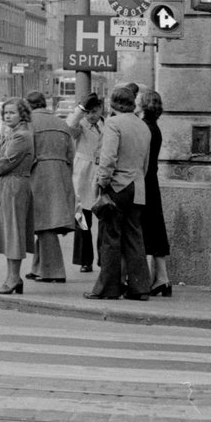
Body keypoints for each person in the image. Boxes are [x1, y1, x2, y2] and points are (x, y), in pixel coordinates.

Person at [85, 86, 152, 301]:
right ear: (132, 104)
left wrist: (102, 182)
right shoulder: (143, 126)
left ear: (113, 104)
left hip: (117, 186)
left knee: (110, 237)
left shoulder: (113, 124)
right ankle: (140, 287)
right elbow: (146, 163)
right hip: (138, 186)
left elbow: (108, 158)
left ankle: (108, 288)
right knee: (135, 237)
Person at [0, 96, 35, 295]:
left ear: (22, 114)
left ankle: (13, 278)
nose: (8, 116)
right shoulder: (15, 133)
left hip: (14, 185)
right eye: (5, 113)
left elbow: (6, 161)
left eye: (12, 112)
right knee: (9, 232)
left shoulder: (21, 136)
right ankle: (13, 277)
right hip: (10, 184)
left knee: (13, 233)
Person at [23, 90, 76, 283]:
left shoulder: (28, 124)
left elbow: (26, 153)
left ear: (28, 106)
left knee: (44, 224)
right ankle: (38, 267)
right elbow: (71, 154)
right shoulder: (61, 123)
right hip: (60, 174)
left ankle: (53, 271)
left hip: (39, 175)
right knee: (46, 222)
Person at [138, 89, 172, 297]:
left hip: (144, 181)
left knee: (141, 231)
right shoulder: (155, 127)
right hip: (153, 181)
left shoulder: (144, 128)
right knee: (155, 230)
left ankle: (155, 279)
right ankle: (162, 278)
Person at [67, 92, 105, 273]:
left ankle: (104, 258)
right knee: (82, 217)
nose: (91, 115)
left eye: (95, 111)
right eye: (88, 112)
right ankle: (85, 259)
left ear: (101, 110)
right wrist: (80, 109)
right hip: (82, 172)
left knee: (104, 216)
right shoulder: (80, 125)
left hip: (100, 172)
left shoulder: (107, 124)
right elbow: (69, 126)